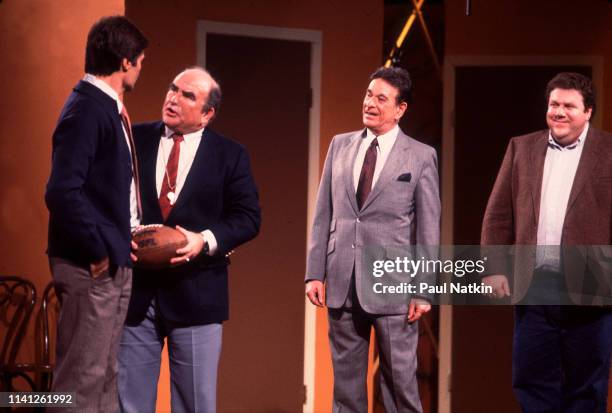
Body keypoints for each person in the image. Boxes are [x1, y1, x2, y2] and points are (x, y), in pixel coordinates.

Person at [118, 67, 261, 413]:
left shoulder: (230, 154)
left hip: (198, 294)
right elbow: (111, 197)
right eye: (172, 88)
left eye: (187, 95)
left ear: (208, 113)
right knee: (129, 405)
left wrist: (204, 240)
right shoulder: (134, 139)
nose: (173, 98)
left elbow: (248, 218)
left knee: (194, 404)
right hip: (138, 295)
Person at [305, 66, 440, 412]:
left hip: (393, 285)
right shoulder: (340, 145)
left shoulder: (420, 156)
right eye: (369, 94)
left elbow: (428, 227)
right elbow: (324, 213)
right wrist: (314, 272)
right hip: (340, 279)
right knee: (346, 392)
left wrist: (423, 289)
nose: (371, 103)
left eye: (382, 98)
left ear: (400, 109)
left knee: (400, 388)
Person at [481, 72, 612, 412]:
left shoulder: (609, 151)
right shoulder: (521, 148)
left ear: (588, 112)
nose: (559, 112)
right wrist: (494, 269)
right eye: (554, 104)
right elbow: (498, 216)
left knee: (587, 389)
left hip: (591, 290)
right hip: (535, 290)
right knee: (531, 382)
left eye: (569, 106)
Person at [45, 15, 147, 412]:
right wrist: (101, 247)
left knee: (105, 375)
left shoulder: (108, 109)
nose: (140, 69)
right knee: (80, 382)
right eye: (140, 61)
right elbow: (61, 191)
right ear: (125, 61)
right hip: (92, 267)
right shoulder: (87, 109)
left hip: (112, 263)